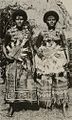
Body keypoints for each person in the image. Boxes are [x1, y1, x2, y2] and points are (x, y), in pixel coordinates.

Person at [3, 9, 37, 116]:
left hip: (25, 61)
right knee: (12, 81)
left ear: (24, 20)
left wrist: (33, 62)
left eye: (21, 18)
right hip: (13, 61)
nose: (19, 20)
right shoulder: (10, 31)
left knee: (24, 80)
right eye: (17, 18)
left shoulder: (27, 32)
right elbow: (4, 45)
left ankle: (23, 103)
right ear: (14, 20)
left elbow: (30, 47)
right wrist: (7, 56)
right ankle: (11, 106)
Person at [34, 11, 69, 112]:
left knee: (60, 78)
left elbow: (65, 45)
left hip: (58, 58)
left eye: (53, 19)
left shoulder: (60, 32)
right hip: (46, 58)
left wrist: (68, 58)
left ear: (56, 21)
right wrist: (39, 53)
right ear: (46, 21)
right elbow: (36, 45)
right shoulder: (42, 33)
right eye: (49, 20)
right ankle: (48, 102)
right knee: (46, 79)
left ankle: (62, 102)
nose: (51, 21)